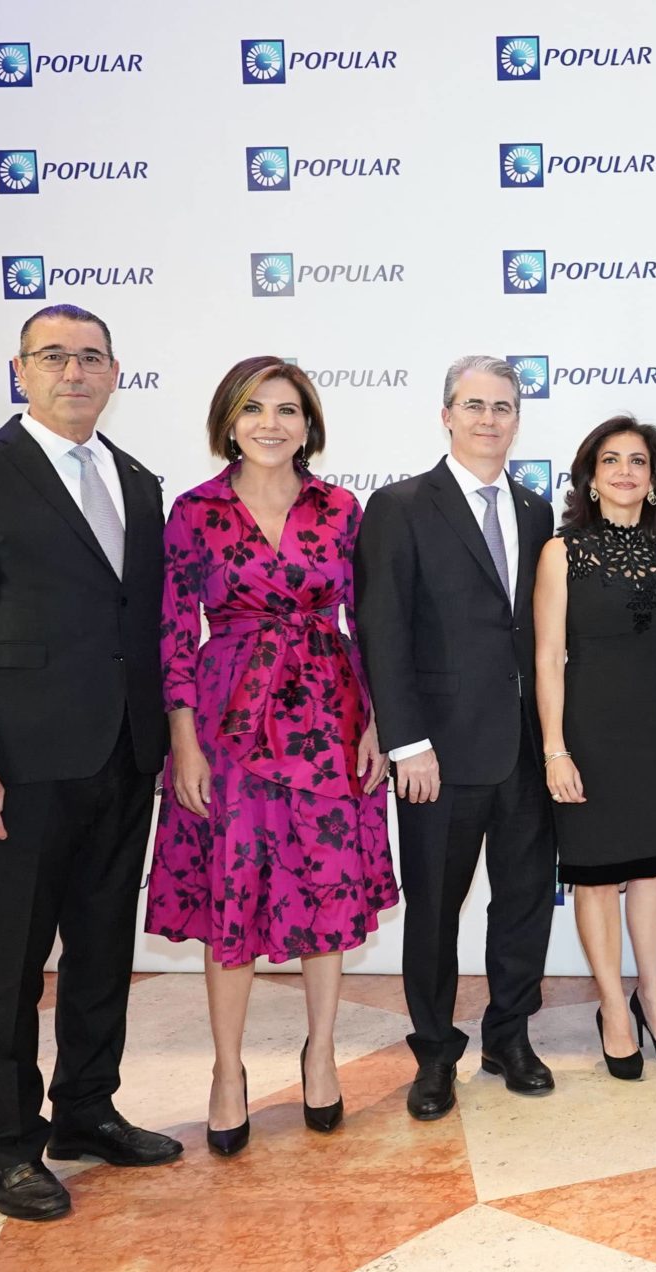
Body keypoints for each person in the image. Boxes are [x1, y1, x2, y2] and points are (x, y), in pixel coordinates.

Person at [0, 304, 182, 1221]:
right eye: (53, 356)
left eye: (91, 357)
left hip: (123, 756)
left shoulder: (137, 480)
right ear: (20, 371)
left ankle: (88, 1112)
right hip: (16, 769)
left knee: (102, 949)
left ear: (115, 373)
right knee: (13, 965)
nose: (74, 372)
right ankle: (10, 1147)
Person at [144, 357, 397, 1153]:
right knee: (233, 895)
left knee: (327, 890)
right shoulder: (194, 511)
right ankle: (228, 1072)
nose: (270, 424)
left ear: (309, 425)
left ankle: (321, 1055)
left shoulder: (341, 507)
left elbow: (371, 622)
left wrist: (377, 721)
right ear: (228, 420)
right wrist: (183, 740)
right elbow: (173, 631)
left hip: (329, 714)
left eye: (287, 410)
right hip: (230, 721)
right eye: (254, 408)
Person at [355, 355, 557, 1119]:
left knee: (525, 900)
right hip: (437, 753)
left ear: (517, 420)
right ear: (446, 415)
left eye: (502, 407)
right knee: (436, 909)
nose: (488, 419)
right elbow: (382, 630)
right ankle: (435, 1052)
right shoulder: (401, 506)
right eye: (474, 405)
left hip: (526, 749)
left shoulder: (536, 511)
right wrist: (406, 743)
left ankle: (510, 1036)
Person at [537, 416, 656, 1080]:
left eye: (638, 461)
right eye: (611, 460)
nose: (625, 471)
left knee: (654, 873)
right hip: (588, 733)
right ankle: (612, 1009)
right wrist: (554, 749)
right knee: (598, 878)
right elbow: (547, 657)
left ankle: (653, 1000)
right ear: (591, 479)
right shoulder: (561, 552)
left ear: (654, 479)